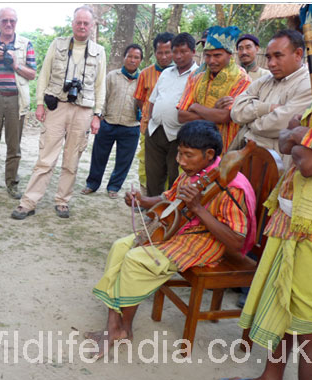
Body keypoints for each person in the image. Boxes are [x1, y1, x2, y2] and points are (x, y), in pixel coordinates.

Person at [218, 4, 312, 380]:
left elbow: (308, 162)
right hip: (291, 213)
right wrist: (299, 134)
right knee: (282, 304)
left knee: (307, 322)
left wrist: (297, 135)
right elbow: (289, 134)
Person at [85, 120, 256, 359]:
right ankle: (114, 327)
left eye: (188, 155)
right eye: (179, 153)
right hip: (177, 230)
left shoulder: (231, 187)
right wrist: (141, 201)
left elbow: (237, 242)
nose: (180, 161)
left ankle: (124, 328)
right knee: (120, 247)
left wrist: (198, 209)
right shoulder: (193, 173)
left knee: (135, 258)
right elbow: (169, 198)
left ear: (209, 155)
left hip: (206, 243)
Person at [11, 6, 106, 220]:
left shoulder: (99, 51)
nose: (82, 26)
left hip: (83, 110)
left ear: (92, 26)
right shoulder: (58, 44)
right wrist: (39, 104)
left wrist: (97, 114)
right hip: (57, 106)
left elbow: (101, 86)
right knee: (46, 157)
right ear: (73, 23)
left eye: (86, 23)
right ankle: (28, 202)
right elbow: (44, 73)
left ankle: (62, 201)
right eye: (78, 22)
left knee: (72, 159)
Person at [0, 7, 37, 199]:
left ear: (16, 23)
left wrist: (15, 64)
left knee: (14, 146)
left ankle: (12, 183)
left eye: (12, 21)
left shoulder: (26, 44)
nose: (8, 24)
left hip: (16, 99)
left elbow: (33, 74)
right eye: (4, 21)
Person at [230, 30, 312, 161]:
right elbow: (236, 112)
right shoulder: (264, 81)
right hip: (244, 157)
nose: (271, 63)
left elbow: (279, 124)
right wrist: (268, 108)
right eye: (268, 57)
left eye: (278, 56)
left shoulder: (309, 85)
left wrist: (249, 123)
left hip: (275, 168)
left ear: (298, 54)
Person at [81, 44, 143, 199]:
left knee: (124, 161)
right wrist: (99, 117)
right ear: (124, 57)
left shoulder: (143, 79)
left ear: (140, 60)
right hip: (108, 123)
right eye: (129, 56)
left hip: (131, 126)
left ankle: (114, 187)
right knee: (98, 156)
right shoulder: (111, 76)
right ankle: (92, 184)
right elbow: (103, 97)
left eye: (136, 57)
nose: (132, 60)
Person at [177, 26, 252, 153]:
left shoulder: (242, 79)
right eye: (207, 55)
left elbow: (225, 116)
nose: (211, 61)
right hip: (195, 147)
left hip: (225, 149)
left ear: (229, 54)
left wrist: (196, 106)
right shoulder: (196, 77)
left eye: (217, 55)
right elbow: (181, 116)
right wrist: (213, 112)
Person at [144, 32, 199, 197]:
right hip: (155, 131)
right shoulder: (167, 72)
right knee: (153, 174)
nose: (178, 56)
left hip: (179, 135)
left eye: (184, 51)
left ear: (193, 52)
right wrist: (150, 121)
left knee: (176, 176)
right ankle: (153, 211)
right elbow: (153, 99)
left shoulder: (199, 76)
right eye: (175, 52)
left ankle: (172, 213)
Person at [133, 32, 174, 194]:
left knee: (169, 166)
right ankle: (146, 197)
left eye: (167, 52)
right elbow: (139, 99)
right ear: (155, 53)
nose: (163, 57)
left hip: (171, 130)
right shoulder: (145, 74)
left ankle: (164, 200)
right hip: (148, 128)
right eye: (160, 52)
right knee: (146, 164)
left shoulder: (184, 74)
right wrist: (151, 114)